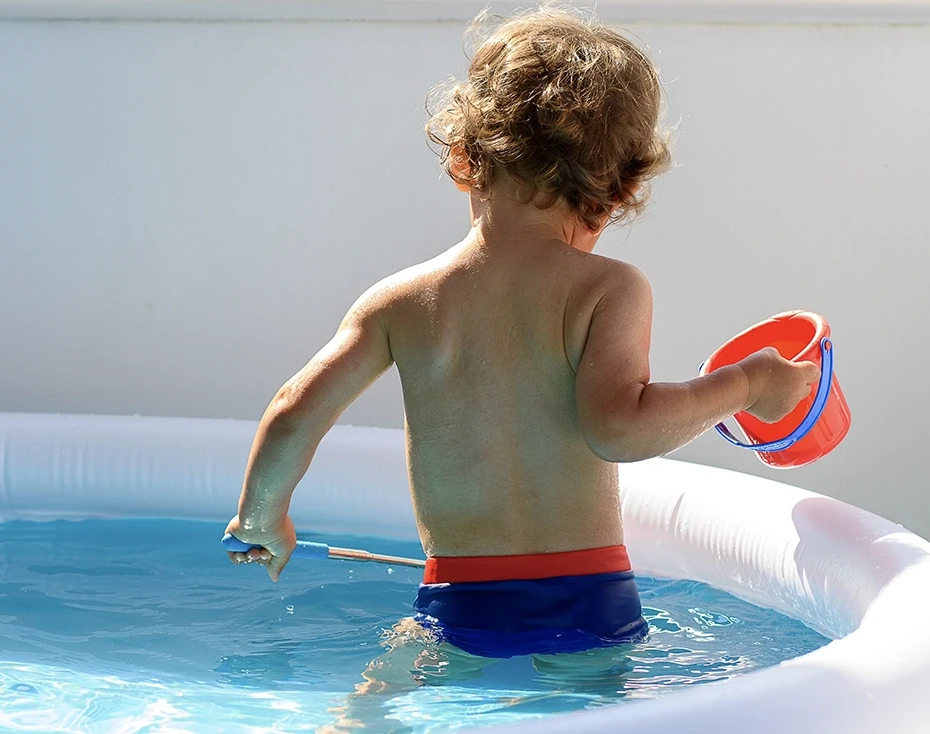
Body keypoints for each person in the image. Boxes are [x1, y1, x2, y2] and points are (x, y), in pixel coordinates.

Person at [225, 5, 818, 669]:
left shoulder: (398, 302)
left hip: (459, 600)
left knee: (384, 692)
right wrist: (748, 383)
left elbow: (293, 409)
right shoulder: (607, 289)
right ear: (618, 192)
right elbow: (619, 429)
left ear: (462, 159)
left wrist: (262, 517)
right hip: (588, 600)